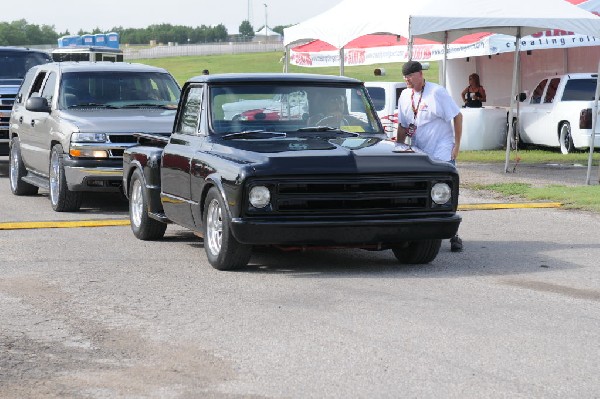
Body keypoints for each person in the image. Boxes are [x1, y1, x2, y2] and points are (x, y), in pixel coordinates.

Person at [396, 60, 464, 252]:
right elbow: (402, 125)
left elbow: (457, 116)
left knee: (444, 192)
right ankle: (421, 230)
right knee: (421, 191)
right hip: (419, 150)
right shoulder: (404, 95)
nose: (406, 80)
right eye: (404, 77)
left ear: (419, 74)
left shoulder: (437, 92)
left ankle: (454, 234)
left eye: (409, 76)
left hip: (441, 149)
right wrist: (399, 148)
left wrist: (457, 145)